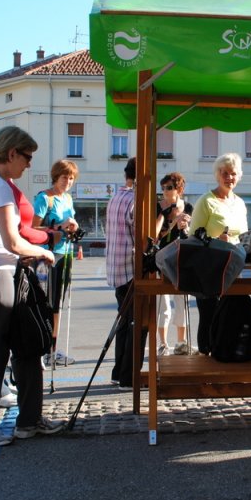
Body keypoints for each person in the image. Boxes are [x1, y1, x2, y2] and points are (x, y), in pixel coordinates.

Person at [0, 125, 62, 447]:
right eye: (27, 157)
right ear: (12, 153)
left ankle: (29, 420)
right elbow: (12, 241)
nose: (29, 164)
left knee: (25, 343)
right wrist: (44, 251)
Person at [189, 153, 249, 354]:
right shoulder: (206, 201)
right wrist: (216, 241)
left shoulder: (240, 203)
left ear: (238, 176)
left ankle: (225, 356)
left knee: (230, 316)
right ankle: (205, 360)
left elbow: (243, 236)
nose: (229, 177)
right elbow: (193, 237)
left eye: (233, 173)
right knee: (209, 317)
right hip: (209, 270)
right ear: (217, 174)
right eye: (225, 173)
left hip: (233, 269)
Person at [32, 159, 80, 367]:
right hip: (47, 256)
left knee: (58, 303)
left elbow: (68, 225)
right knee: (45, 303)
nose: (67, 182)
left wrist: (73, 227)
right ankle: (41, 349)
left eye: (71, 178)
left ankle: (52, 349)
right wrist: (59, 226)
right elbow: (32, 229)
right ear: (55, 177)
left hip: (66, 253)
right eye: (64, 177)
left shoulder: (67, 199)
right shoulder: (45, 198)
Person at [106, 157, 137, 388]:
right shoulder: (135, 200)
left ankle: (118, 372)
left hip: (117, 269)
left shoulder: (116, 196)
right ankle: (128, 376)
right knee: (135, 324)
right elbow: (143, 237)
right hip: (131, 268)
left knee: (124, 322)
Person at [155, 172, 193, 355]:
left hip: (182, 259)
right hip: (162, 259)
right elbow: (155, 236)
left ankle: (181, 342)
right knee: (163, 304)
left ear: (180, 189)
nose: (165, 191)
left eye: (169, 187)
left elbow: (190, 235)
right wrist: (170, 222)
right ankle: (162, 343)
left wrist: (185, 226)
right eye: (163, 188)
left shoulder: (188, 207)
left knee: (182, 302)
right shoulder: (158, 207)